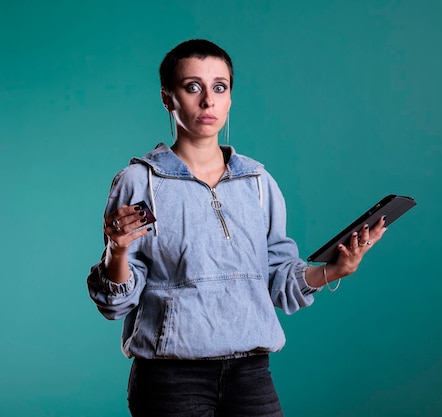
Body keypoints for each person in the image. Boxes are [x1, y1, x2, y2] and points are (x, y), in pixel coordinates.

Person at [87, 39, 387, 417]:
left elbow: (278, 277)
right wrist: (117, 251)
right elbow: (118, 302)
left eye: (219, 87)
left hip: (251, 373)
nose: (208, 101)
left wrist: (334, 270)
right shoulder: (139, 182)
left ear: (230, 99)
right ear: (168, 98)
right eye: (192, 86)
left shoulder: (257, 182)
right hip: (170, 378)